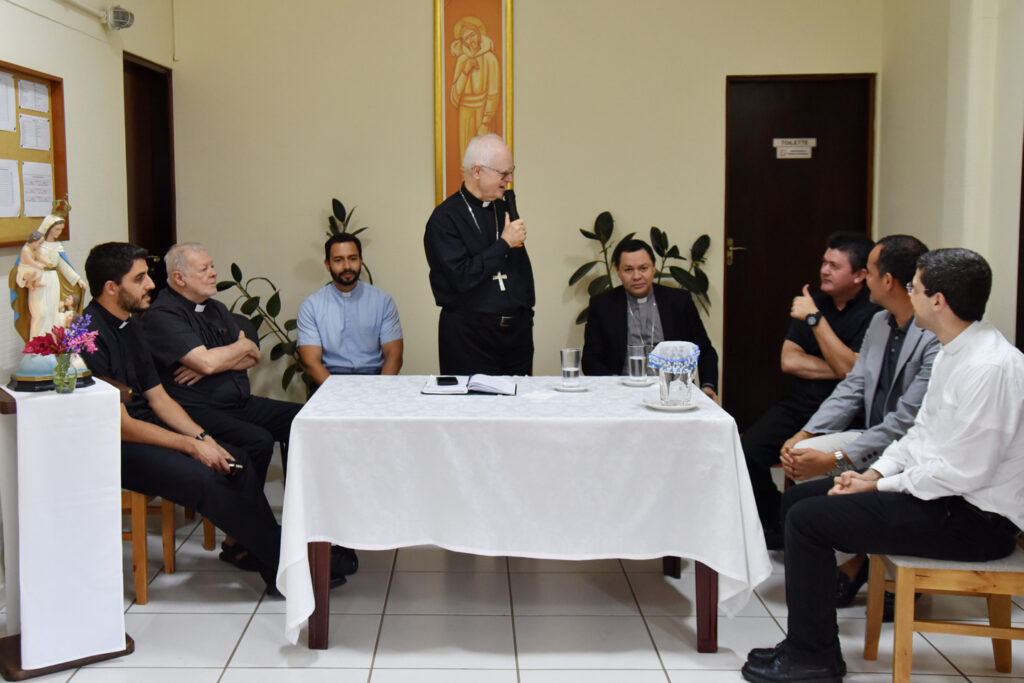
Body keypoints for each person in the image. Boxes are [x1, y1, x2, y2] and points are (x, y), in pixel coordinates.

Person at [742, 248, 1024, 683]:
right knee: (799, 499)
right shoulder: (954, 351)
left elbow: (963, 473)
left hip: (976, 519)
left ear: (938, 301)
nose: (909, 293)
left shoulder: (988, 367)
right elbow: (919, 434)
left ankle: (814, 657)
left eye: (916, 287)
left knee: (808, 521)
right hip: (942, 497)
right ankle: (807, 640)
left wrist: (877, 487)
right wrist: (872, 474)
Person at [79, 242, 348, 595]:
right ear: (111, 287)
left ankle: (265, 555)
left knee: (235, 461)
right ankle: (283, 568)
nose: (151, 284)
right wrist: (192, 447)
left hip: (150, 427)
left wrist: (203, 439)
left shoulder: (131, 327)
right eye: (140, 278)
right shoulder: (84, 335)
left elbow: (159, 399)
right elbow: (121, 425)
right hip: (119, 446)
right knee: (208, 479)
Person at [742, 232, 879, 547]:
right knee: (747, 451)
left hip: (848, 414)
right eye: (824, 262)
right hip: (800, 403)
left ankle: (817, 534)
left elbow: (850, 374)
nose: (824, 271)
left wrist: (816, 322)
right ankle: (777, 523)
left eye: (835, 266)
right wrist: (843, 364)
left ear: (860, 275)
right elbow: (789, 361)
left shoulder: (873, 313)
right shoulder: (814, 300)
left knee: (809, 463)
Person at [424, 133, 534, 375]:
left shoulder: (503, 209)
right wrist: (504, 243)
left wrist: (527, 315)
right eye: (503, 173)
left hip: (516, 338)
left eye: (511, 172)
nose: (509, 179)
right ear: (477, 171)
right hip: (469, 340)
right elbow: (461, 277)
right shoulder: (444, 219)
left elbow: (521, 271)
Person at [582, 239, 719, 399]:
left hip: (672, 392)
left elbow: (705, 351)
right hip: (622, 393)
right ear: (617, 270)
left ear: (654, 268)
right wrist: (617, 385)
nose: (636, 276)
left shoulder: (679, 301)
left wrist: (708, 386)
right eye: (628, 269)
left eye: (643, 268)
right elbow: (590, 360)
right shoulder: (603, 305)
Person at [297, 233, 403, 383]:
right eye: (338, 260)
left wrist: (380, 390)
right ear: (327, 264)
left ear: (361, 261)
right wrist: (338, 393)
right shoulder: (311, 306)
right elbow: (310, 362)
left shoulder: (383, 301)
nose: (347, 266)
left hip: (374, 381)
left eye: (353, 258)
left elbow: (394, 356)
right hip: (328, 382)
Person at [13, 215, 87, 340]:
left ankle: (50, 343)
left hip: (53, 280)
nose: (59, 232)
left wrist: (77, 279)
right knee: (40, 313)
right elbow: (24, 263)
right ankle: (36, 343)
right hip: (39, 279)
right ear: (49, 228)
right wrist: (26, 278)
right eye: (57, 229)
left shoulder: (58, 246)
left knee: (52, 313)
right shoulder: (37, 244)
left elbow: (63, 266)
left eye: (61, 229)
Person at [449, 16, 501, 163]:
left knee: (485, 160)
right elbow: (454, 97)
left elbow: (494, 93)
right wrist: (465, 72)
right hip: (465, 115)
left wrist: (485, 122)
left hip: (483, 112)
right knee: (466, 161)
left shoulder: (490, 59)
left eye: (472, 35)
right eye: (466, 38)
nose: (470, 40)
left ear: (479, 33)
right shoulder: (462, 60)